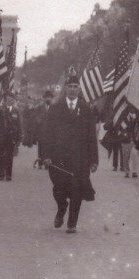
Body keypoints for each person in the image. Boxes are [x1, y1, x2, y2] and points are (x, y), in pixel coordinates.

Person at [38, 74, 98, 233]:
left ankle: (72, 223)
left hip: (80, 158)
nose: (72, 90)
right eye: (70, 86)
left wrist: (94, 160)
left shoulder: (85, 110)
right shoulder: (56, 108)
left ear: (79, 89)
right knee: (59, 189)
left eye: (75, 87)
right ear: (65, 89)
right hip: (58, 158)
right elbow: (46, 133)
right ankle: (62, 206)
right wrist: (45, 155)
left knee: (77, 190)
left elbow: (92, 136)